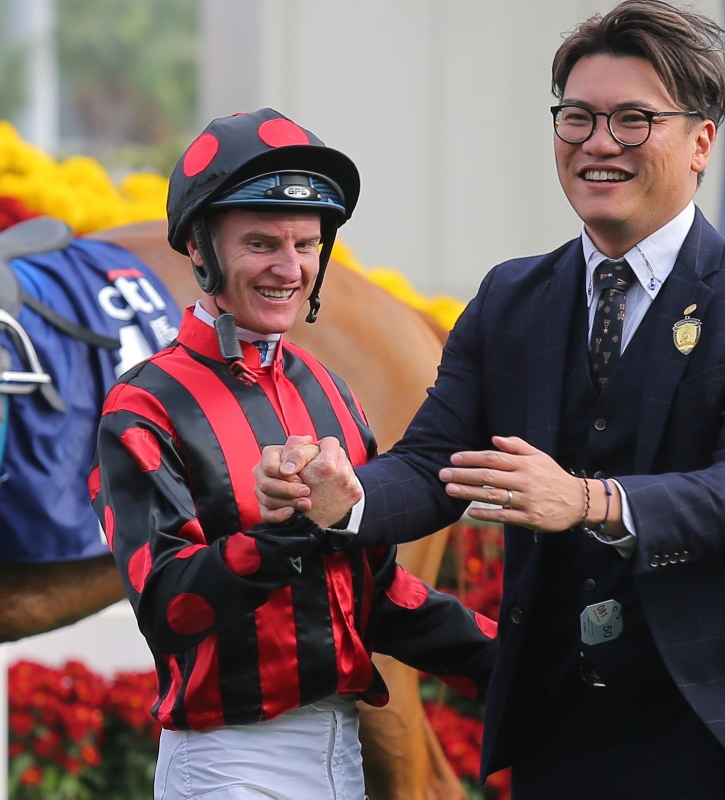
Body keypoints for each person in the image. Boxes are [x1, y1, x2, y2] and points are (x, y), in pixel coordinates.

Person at [256, 2, 725, 797]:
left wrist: (591, 500)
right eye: (576, 118)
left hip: (704, 726)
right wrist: (345, 497)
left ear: (702, 141)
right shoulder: (512, 299)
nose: (598, 143)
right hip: (555, 728)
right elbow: (436, 462)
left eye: (633, 120)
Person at [90, 107, 498, 800]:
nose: (289, 269)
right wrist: (281, 535)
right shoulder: (145, 404)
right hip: (228, 764)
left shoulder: (331, 390)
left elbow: (374, 595)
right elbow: (168, 608)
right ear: (198, 247)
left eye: (306, 245)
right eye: (261, 243)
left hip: (340, 753)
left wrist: (517, 663)